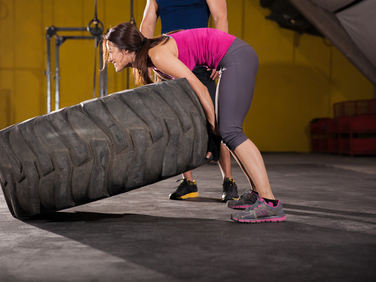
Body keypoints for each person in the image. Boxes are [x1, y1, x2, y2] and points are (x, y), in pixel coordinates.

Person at [102, 22, 286, 223]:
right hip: (234, 57)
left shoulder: (157, 56)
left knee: (230, 131)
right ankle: (257, 192)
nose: (109, 58)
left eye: (111, 51)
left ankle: (269, 202)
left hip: (236, 57)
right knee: (227, 132)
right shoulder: (153, 59)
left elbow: (201, 89)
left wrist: (214, 132)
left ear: (127, 50)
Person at [140, 0, 237, 202]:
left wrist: (218, 55)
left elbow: (221, 16)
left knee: (217, 121)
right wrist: (146, 61)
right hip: (170, 62)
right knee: (178, 124)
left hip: (202, 59)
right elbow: (146, 28)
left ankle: (228, 180)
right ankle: (188, 182)